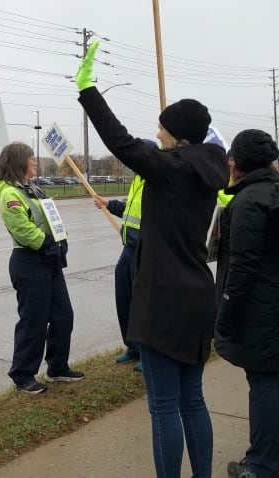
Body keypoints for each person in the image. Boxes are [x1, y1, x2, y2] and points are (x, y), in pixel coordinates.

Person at [76, 41, 228, 478]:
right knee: (192, 400)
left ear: (177, 134)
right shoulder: (206, 168)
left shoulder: (170, 169)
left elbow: (120, 141)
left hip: (162, 298)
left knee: (163, 409)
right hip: (197, 295)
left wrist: (89, 91)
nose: (156, 133)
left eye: (162, 128)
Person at [215, 129, 279, 478]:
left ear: (239, 163)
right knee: (270, 377)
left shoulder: (250, 200)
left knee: (261, 380)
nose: (229, 162)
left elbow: (242, 265)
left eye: (231, 157)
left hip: (259, 303)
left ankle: (261, 465)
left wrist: (227, 311)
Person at [0, 142, 83, 395]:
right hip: (30, 261)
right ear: (19, 162)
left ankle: (57, 367)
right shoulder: (10, 194)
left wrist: (61, 239)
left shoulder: (33, 188)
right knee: (34, 320)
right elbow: (22, 229)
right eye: (31, 158)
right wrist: (47, 243)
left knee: (63, 315)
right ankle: (23, 374)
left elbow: (50, 217)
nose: (35, 162)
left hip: (50, 260)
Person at [92, 140, 158, 373]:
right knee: (125, 299)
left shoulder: (156, 181)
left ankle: (148, 350)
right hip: (128, 248)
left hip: (146, 250)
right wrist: (108, 204)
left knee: (144, 303)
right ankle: (132, 347)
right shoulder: (138, 180)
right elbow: (130, 209)